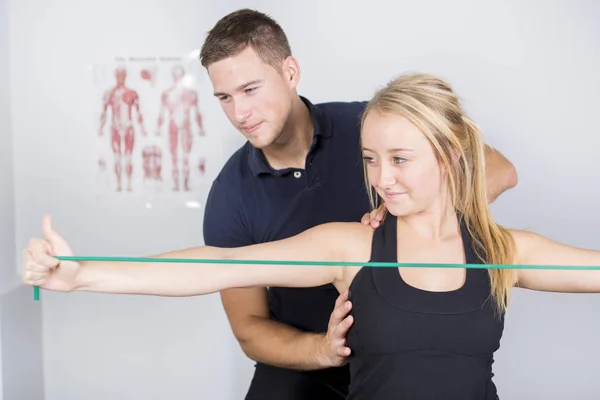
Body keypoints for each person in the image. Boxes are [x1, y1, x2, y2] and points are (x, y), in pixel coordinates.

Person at [24, 72, 596, 400]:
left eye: (400, 158)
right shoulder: (353, 247)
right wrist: (84, 275)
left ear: (448, 156)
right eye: (371, 159)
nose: (381, 179)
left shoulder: (501, 251)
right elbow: (219, 266)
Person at [195, 8, 517, 399]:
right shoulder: (230, 196)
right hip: (307, 365)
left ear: (290, 72)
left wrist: (420, 207)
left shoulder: (368, 125)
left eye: (250, 90)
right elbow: (249, 327)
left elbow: (499, 169)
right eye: (225, 98)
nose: (239, 113)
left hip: (399, 351)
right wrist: (324, 350)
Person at [156, 65, 205, 191]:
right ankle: (176, 183)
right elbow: (161, 114)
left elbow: (197, 112)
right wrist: (158, 128)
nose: (177, 77)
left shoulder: (191, 94)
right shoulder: (167, 93)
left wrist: (200, 128)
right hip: (174, 125)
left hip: (185, 125)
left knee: (185, 156)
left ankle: (185, 183)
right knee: (175, 155)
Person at [99, 67, 147, 192]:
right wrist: (100, 128)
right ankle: (119, 183)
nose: (120, 78)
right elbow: (104, 113)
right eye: (118, 75)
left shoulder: (132, 93)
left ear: (125, 76)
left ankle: (129, 183)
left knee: (128, 157)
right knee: (117, 157)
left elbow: (138, 112)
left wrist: (142, 128)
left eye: (122, 75)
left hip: (128, 127)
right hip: (115, 127)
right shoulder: (109, 94)